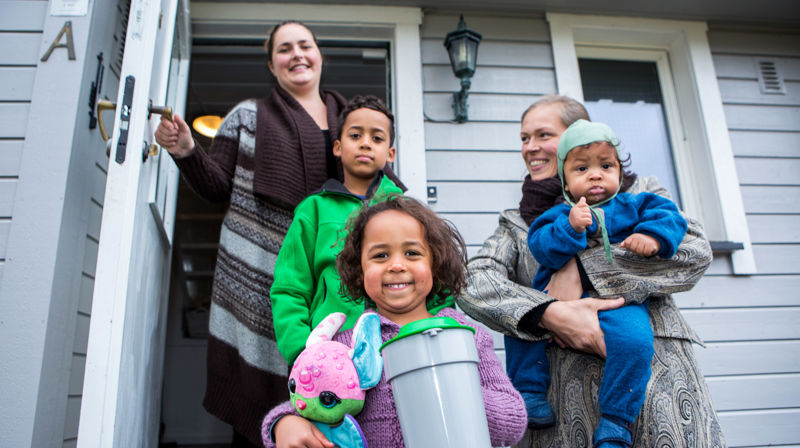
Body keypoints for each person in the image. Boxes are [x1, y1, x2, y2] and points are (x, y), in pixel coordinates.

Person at [154, 21, 401, 447]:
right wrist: (186, 150)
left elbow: (384, 193)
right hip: (259, 272)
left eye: (305, 45)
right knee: (258, 403)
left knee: (338, 397)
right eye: (285, 49)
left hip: (333, 285)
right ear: (272, 64)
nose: (297, 54)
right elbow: (215, 185)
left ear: (320, 54)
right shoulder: (248, 116)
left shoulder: (354, 122)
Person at [456, 95, 727, 447]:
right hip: (562, 404)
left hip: (655, 383)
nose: (530, 148)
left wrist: (579, 267)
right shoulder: (515, 224)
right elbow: (471, 282)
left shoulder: (640, 192)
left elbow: (694, 252)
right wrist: (548, 312)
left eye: (543, 135)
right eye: (525, 138)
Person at [261, 195, 528, 448]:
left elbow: (513, 421)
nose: (396, 265)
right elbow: (307, 401)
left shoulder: (465, 336)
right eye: (380, 256)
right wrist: (283, 423)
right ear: (359, 270)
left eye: (412, 253)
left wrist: (455, 387)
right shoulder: (344, 347)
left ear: (435, 264)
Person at [507, 119, 688, 447]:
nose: (595, 174)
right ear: (564, 180)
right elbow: (541, 246)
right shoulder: (558, 213)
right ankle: (531, 392)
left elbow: (672, 218)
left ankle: (616, 422)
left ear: (620, 170)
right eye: (581, 169)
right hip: (556, 302)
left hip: (618, 301)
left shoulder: (635, 204)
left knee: (636, 342)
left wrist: (653, 237)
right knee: (522, 325)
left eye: (606, 165)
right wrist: (571, 228)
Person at [270, 95, 451, 365]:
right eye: (356, 135)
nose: (366, 143)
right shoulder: (313, 211)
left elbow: (439, 282)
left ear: (390, 154)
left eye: (377, 138)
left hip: (403, 349)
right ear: (338, 147)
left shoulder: (409, 212)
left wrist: (441, 339)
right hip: (332, 358)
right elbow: (290, 289)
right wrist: (304, 353)